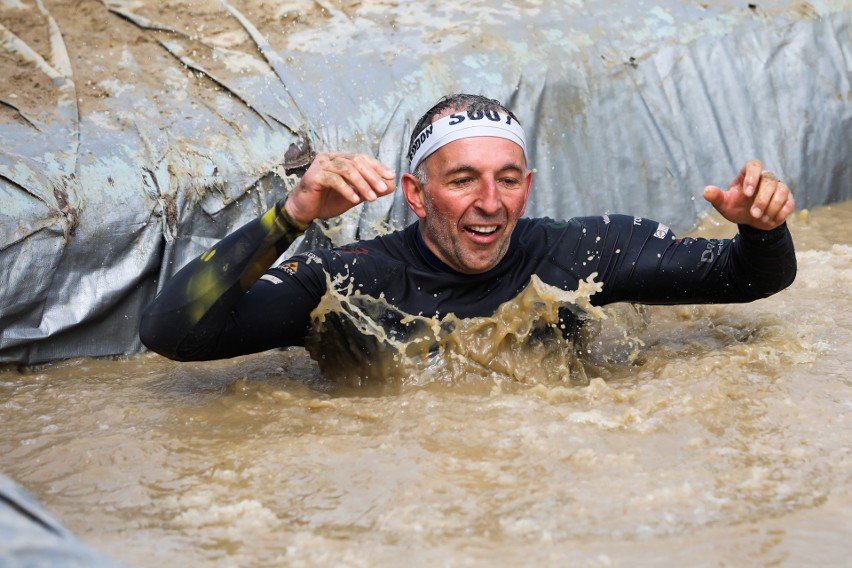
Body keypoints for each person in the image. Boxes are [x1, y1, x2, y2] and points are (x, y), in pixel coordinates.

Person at [139, 93, 796, 362]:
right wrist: (292, 217)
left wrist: (762, 229)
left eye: (507, 179)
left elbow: (750, 277)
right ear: (417, 196)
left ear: (527, 188)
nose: (490, 201)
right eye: (462, 180)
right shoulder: (351, 282)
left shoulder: (583, 252)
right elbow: (172, 333)